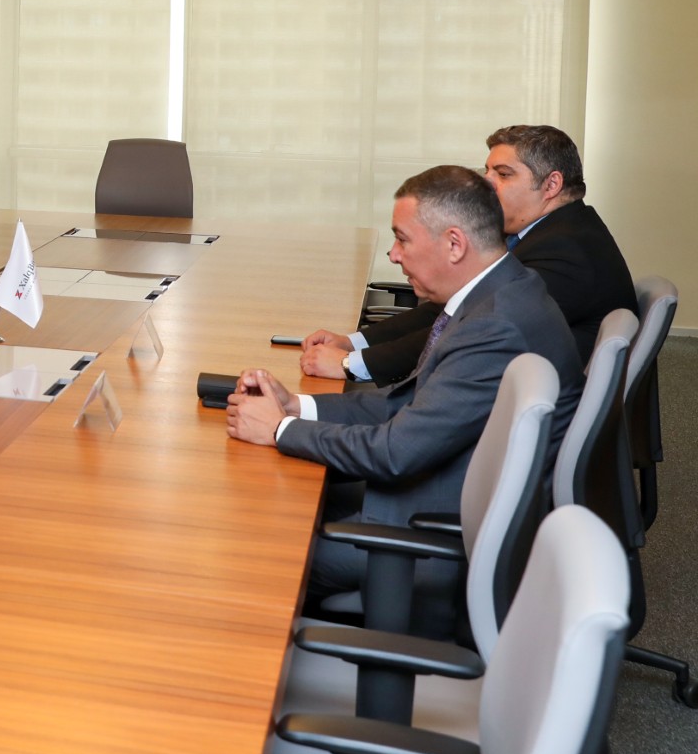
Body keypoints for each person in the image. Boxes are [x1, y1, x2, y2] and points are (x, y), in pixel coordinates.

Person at [226, 165, 582, 609]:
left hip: (431, 534)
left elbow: (397, 452)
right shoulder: (499, 293)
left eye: (403, 239)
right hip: (441, 494)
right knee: (273, 502)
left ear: (454, 244)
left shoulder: (494, 327)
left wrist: (279, 430)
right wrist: (296, 406)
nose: (393, 255)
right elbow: (406, 402)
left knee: (256, 550)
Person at [301, 124, 627, 382]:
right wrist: (354, 342)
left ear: (551, 185)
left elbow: (464, 332)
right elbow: (448, 311)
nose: (487, 184)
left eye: (503, 174)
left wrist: (351, 364)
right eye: (487, 172)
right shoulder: (549, 233)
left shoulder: (566, 253)